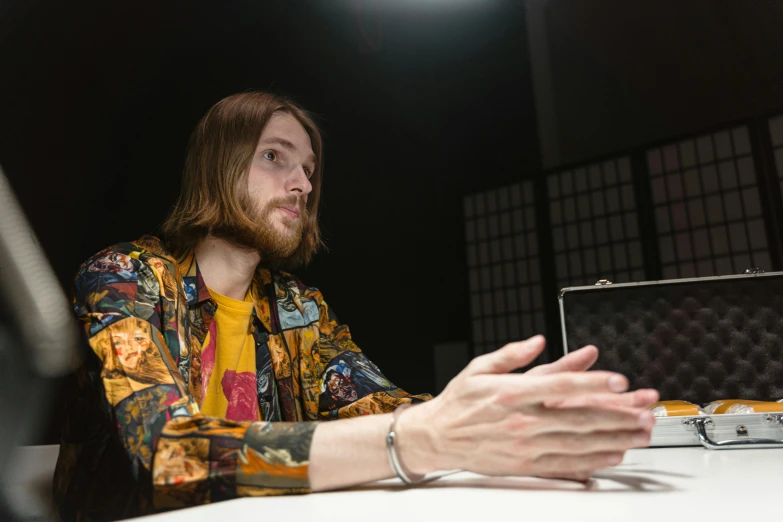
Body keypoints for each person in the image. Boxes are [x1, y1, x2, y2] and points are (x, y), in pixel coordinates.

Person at [53, 92, 659, 522]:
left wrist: (504, 415)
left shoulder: (298, 308)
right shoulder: (124, 279)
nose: (303, 185)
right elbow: (167, 453)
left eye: (309, 169)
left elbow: (381, 405)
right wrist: (416, 437)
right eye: (275, 156)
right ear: (219, 163)